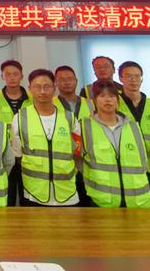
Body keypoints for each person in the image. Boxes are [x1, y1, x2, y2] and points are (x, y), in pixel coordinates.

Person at [11, 69, 81, 207]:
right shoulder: (20, 118)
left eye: (47, 86)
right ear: (30, 89)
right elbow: (18, 155)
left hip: (67, 191)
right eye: (37, 87)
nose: (42, 91)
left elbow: (77, 152)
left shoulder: (69, 118)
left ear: (54, 88)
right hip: (33, 193)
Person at [80, 80, 150, 208]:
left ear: (117, 100)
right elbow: (78, 161)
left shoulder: (133, 126)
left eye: (112, 96)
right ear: (94, 100)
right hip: (102, 201)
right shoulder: (85, 126)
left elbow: (143, 161)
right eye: (102, 96)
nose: (108, 100)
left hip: (139, 201)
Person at [116, 61, 150, 207]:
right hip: (128, 169)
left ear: (142, 79)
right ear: (120, 78)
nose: (133, 80)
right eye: (128, 76)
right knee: (132, 212)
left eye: (137, 76)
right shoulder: (114, 105)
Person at [0, 60, 32, 206]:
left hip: (28, 153)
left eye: (15, 74)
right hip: (4, 153)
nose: (12, 77)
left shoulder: (32, 98)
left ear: (22, 76)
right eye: (8, 74)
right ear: (2, 76)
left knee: (28, 194)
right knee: (8, 195)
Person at [54, 65, 93, 206]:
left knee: (88, 202)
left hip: (87, 159)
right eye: (62, 79)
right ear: (56, 83)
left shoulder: (90, 104)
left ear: (76, 81)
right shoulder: (51, 104)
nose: (66, 82)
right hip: (63, 160)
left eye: (70, 79)